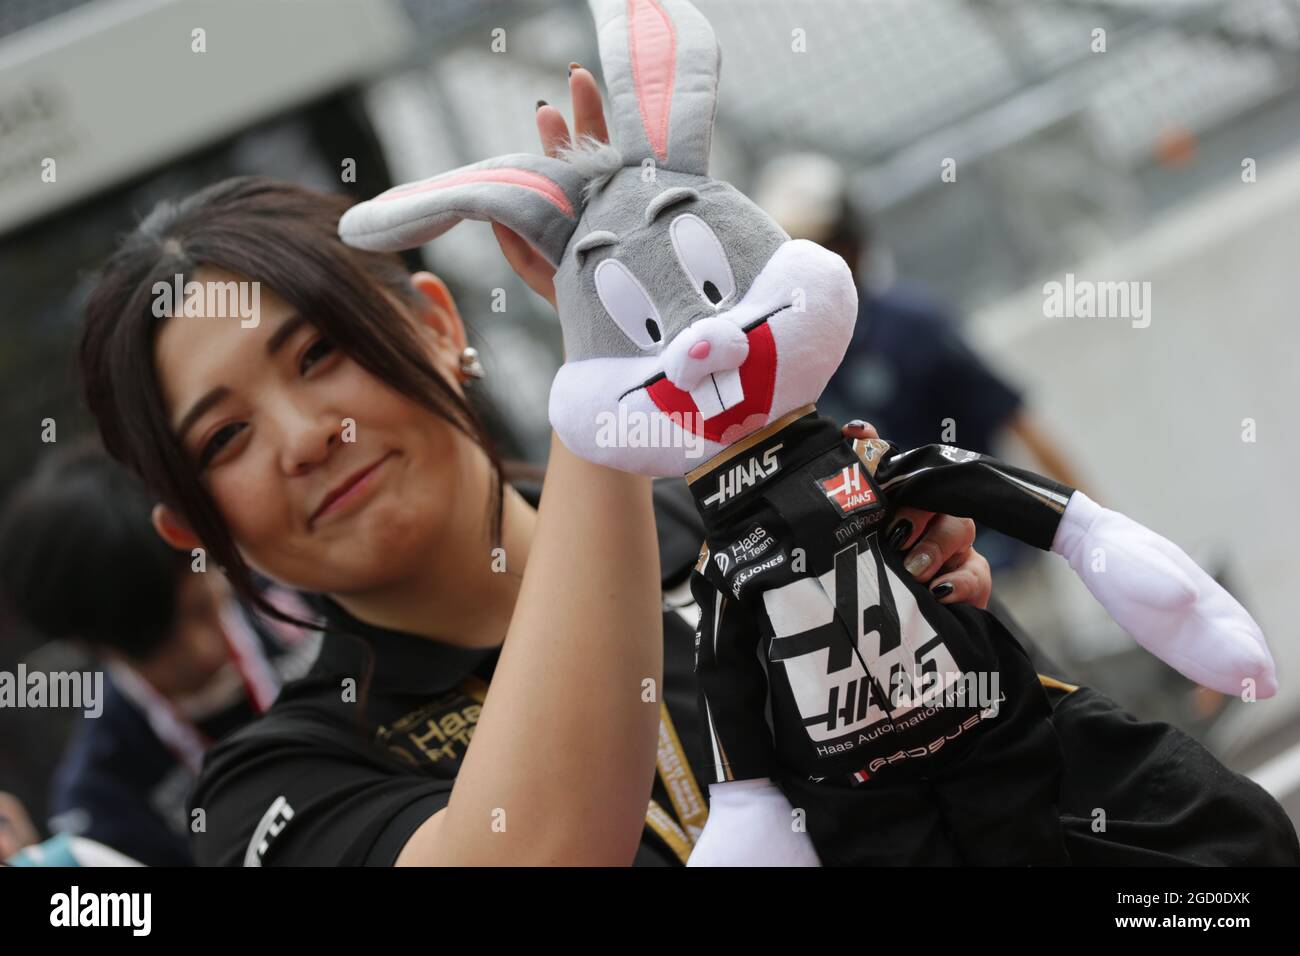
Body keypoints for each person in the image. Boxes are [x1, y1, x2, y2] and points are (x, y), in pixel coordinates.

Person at [76, 68, 1295, 866]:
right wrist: (611, 371)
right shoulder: (270, 784)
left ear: (440, 326)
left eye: (323, 354)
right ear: (190, 524)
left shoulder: (744, 504)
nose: (303, 435)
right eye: (223, 439)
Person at [0, 445, 316, 865]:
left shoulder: (310, 595)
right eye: (164, 644)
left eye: (203, 610)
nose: (204, 649)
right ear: (89, 644)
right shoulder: (102, 801)